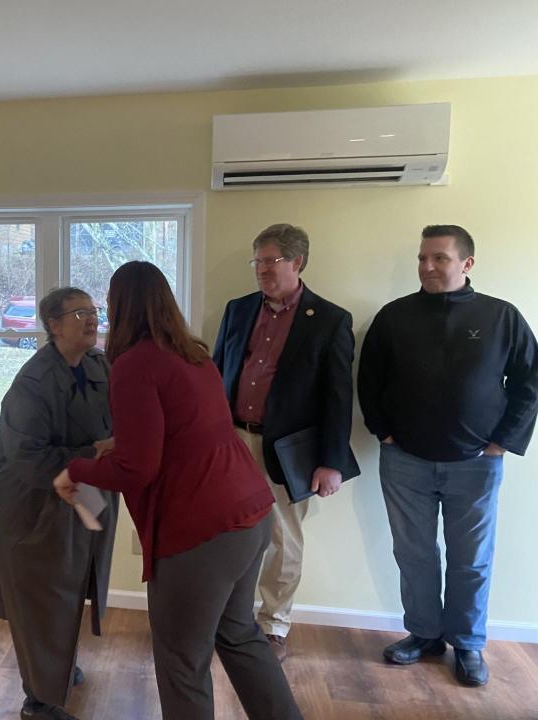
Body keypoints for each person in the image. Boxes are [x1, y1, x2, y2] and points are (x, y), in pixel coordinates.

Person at [54, 261, 302, 720]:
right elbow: (186, 431)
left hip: (201, 532)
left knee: (182, 663)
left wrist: (78, 470)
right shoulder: (192, 354)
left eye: (107, 303)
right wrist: (119, 445)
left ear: (121, 306)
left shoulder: (133, 365)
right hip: (250, 513)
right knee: (239, 635)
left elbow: (137, 470)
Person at [358, 224, 538, 687]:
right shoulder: (395, 316)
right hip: (405, 461)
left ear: (466, 264)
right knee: (414, 554)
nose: (428, 267)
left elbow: (529, 384)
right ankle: (424, 634)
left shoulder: (502, 317)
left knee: (471, 559)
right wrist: (384, 433)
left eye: (439, 258)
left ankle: (469, 644)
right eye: (423, 258)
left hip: (477, 463)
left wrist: (502, 442)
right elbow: (369, 380)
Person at [212, 223, 359, 662]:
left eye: (270, 261)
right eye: (256, 261)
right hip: (233, 441)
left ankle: (274, 625)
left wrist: (330, 461)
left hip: (287, 450)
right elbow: (217, 372)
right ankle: (228, 616)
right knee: (228, 533)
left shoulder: (330, 320)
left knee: (282, 537)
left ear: (297, 262)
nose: (260, 269)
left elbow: (338, 397)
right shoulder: (238, 310)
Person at [0, 287, 119, 720]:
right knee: (40, 594)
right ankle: (39, 701)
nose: (92, 319)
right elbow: (27, 457)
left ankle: (59, 665)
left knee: (78, 576)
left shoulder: (98, 364)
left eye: (94, 311)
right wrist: (97, 453)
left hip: (80, 485)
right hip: (30, 498)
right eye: (80, 313)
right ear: (54, 325)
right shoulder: (33, 382)